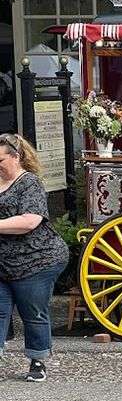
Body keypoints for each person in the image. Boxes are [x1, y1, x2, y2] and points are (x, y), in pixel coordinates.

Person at [0, 133, 69, 383]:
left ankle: (38, 361)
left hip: (37, 260)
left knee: (33, 311)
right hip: (4, 261)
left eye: (0, 160)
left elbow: (30, 221)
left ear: (16, 157)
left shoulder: (30, 183)